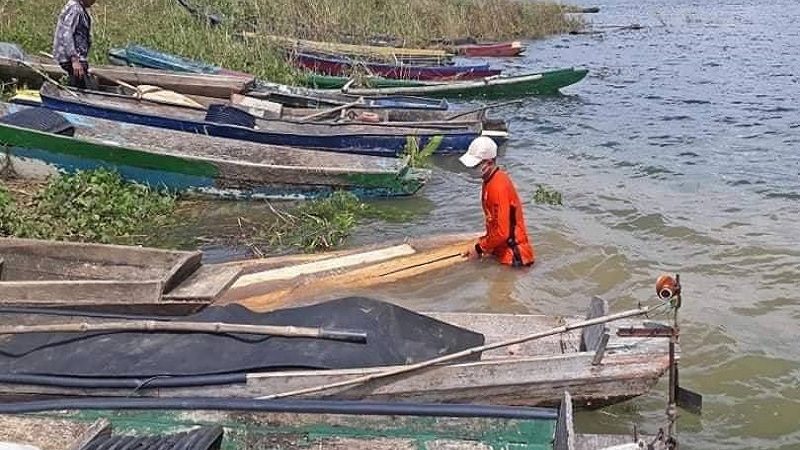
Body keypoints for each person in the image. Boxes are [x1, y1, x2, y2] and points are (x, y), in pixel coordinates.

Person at [460, 136, 535, 267]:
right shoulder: (489, 180)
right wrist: (483, 244)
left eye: (475, 165)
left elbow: (502, 232)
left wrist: (479, 248)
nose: (472, 169)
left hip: (514, 257)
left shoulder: (498, 186)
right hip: (501, 252)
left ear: (488, 163)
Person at [53, 0, 96, 88]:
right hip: (72, 59)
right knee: (81, 88)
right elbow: (67, 34)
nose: (94, 2)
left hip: (76, 58)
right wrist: (74, 59)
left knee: (82, 85)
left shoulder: (79, 8)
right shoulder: (75, 9)